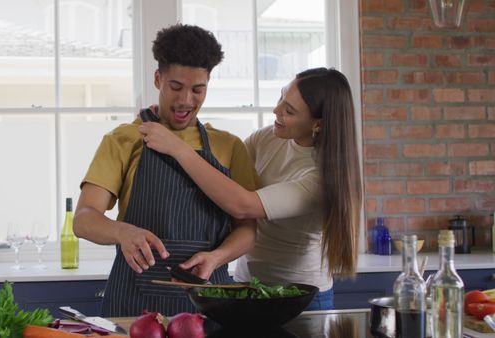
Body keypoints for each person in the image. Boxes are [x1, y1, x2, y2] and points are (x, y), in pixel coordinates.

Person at [73, 24, 259, 317]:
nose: (186, 100)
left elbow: (248, 229)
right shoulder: (123, 140)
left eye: (198, 89)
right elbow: (83, 220)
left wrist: (217, 256)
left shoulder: (230, 147)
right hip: (132, 304)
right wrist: (122, 232)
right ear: (158, 79)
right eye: (176, 87)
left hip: (209, 301)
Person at [138, 67, 362, 310]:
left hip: (300, 297)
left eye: (289, 110)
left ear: (317, 124)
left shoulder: (320, 178)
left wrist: (178, 148)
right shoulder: (269, 138)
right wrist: (185, 132)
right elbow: (223, 172)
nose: (276, 111)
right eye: (280, 98)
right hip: (246, 285)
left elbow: (243, 205)